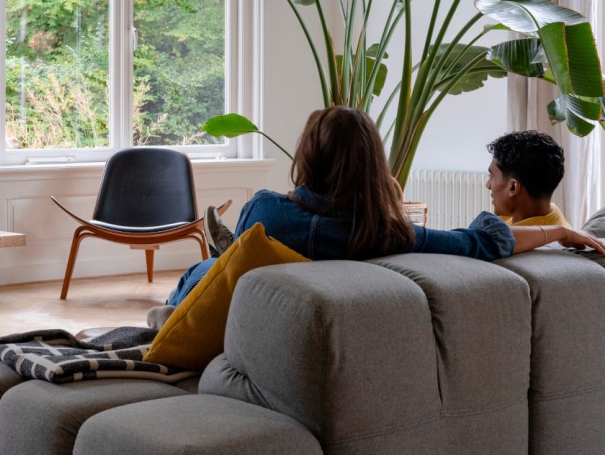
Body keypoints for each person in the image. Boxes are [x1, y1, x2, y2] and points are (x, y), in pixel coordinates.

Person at [168, 106, 605, 308]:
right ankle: (227, 251)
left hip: (242, 296)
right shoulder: (390, 235)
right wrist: (560, 231)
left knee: (205, 272)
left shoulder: (264, 209)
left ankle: (229, 248)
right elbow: (483, 240)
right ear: (373, 166)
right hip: (347, 244)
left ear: (308, 156)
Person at [486, 130, 569, 227]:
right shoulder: (551, 212)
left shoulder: (506, 240)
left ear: (513, 187)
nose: (488, 185)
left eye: (492, 176)